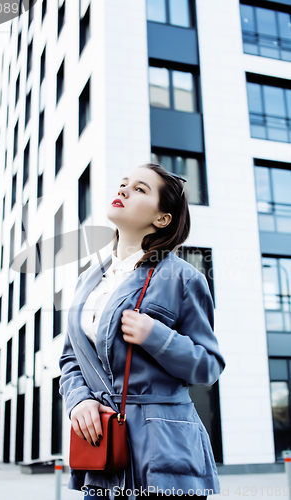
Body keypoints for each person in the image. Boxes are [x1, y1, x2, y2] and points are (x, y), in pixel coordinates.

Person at [59, 162, 225, 500]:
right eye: (123, 184)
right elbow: (70, 358)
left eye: (139, 189)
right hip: (105, 456)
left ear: (162, 219)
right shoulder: (87, 280)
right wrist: (78, 402)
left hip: (166, 457)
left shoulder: (182, 277)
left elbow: (208, 365)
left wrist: (157, 336)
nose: (122, 190)